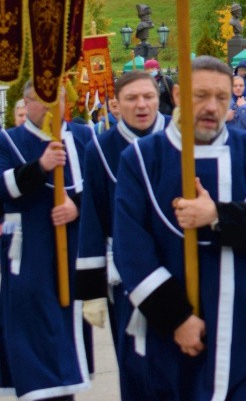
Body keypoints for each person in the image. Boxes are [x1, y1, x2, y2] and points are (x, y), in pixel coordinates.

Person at [112, 56, 246, 399]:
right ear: (178, 96)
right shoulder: (142, 158)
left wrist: (218, 215)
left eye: (221, 97)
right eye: (201, 96)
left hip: (242, 320)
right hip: (167, 330)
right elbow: (130, 249)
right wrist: (176, 318)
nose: (212, 107)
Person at [77, 69, 167, 395]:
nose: (141, 105)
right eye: (131, 98)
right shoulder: (100, 149)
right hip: (127, 273)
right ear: (116, 103)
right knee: (135, 364)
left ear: (158, 98)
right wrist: (91, 290)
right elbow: (93, 216)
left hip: (179, 263)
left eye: (148, 97)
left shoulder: (182, 137)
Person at [0, 82, 91, 399]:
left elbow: (104, 189)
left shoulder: (84, 136)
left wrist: (76, 206)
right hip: (31, 254)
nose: (51, 105)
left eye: (57, 97)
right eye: (41, 99)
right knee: (35, 342)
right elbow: (3, 187)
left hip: (76, 252)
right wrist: (40, 167)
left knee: (68, 348)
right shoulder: (8, 140)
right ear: (26, 103)